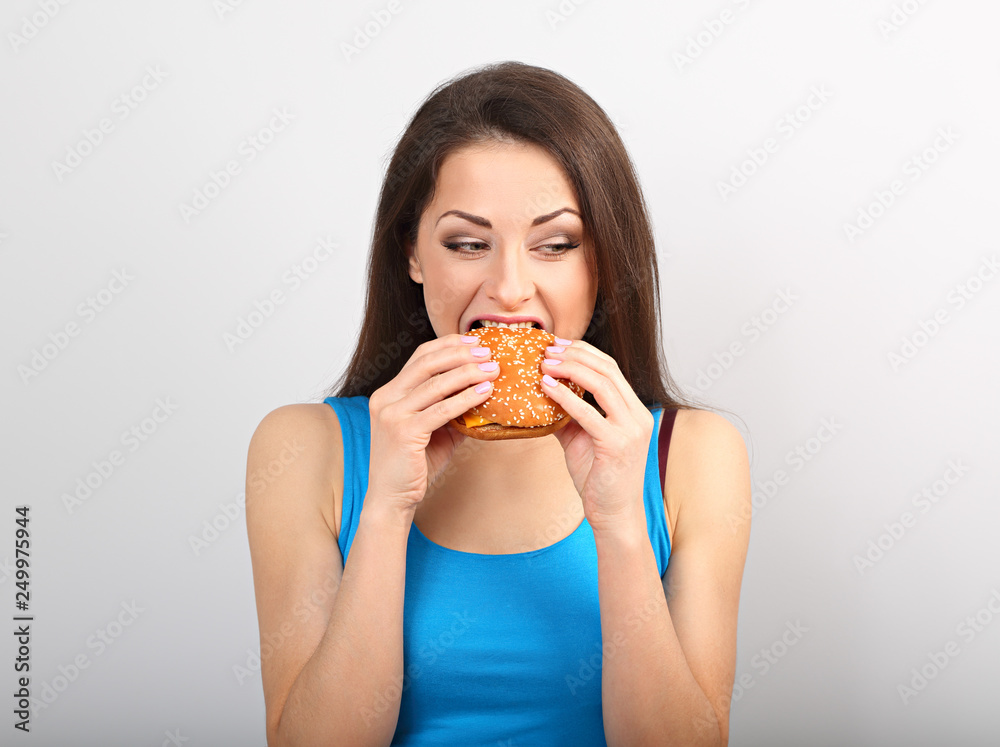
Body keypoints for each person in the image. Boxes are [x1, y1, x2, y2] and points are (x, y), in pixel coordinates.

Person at [245, 61, 751, 747]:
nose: (511, 287)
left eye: (556, 244)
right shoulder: (305, 449)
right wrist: (387, 508)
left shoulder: (690, 456)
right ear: (413, 254)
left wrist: (621, 522)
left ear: (599, 261)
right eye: (467, 243)